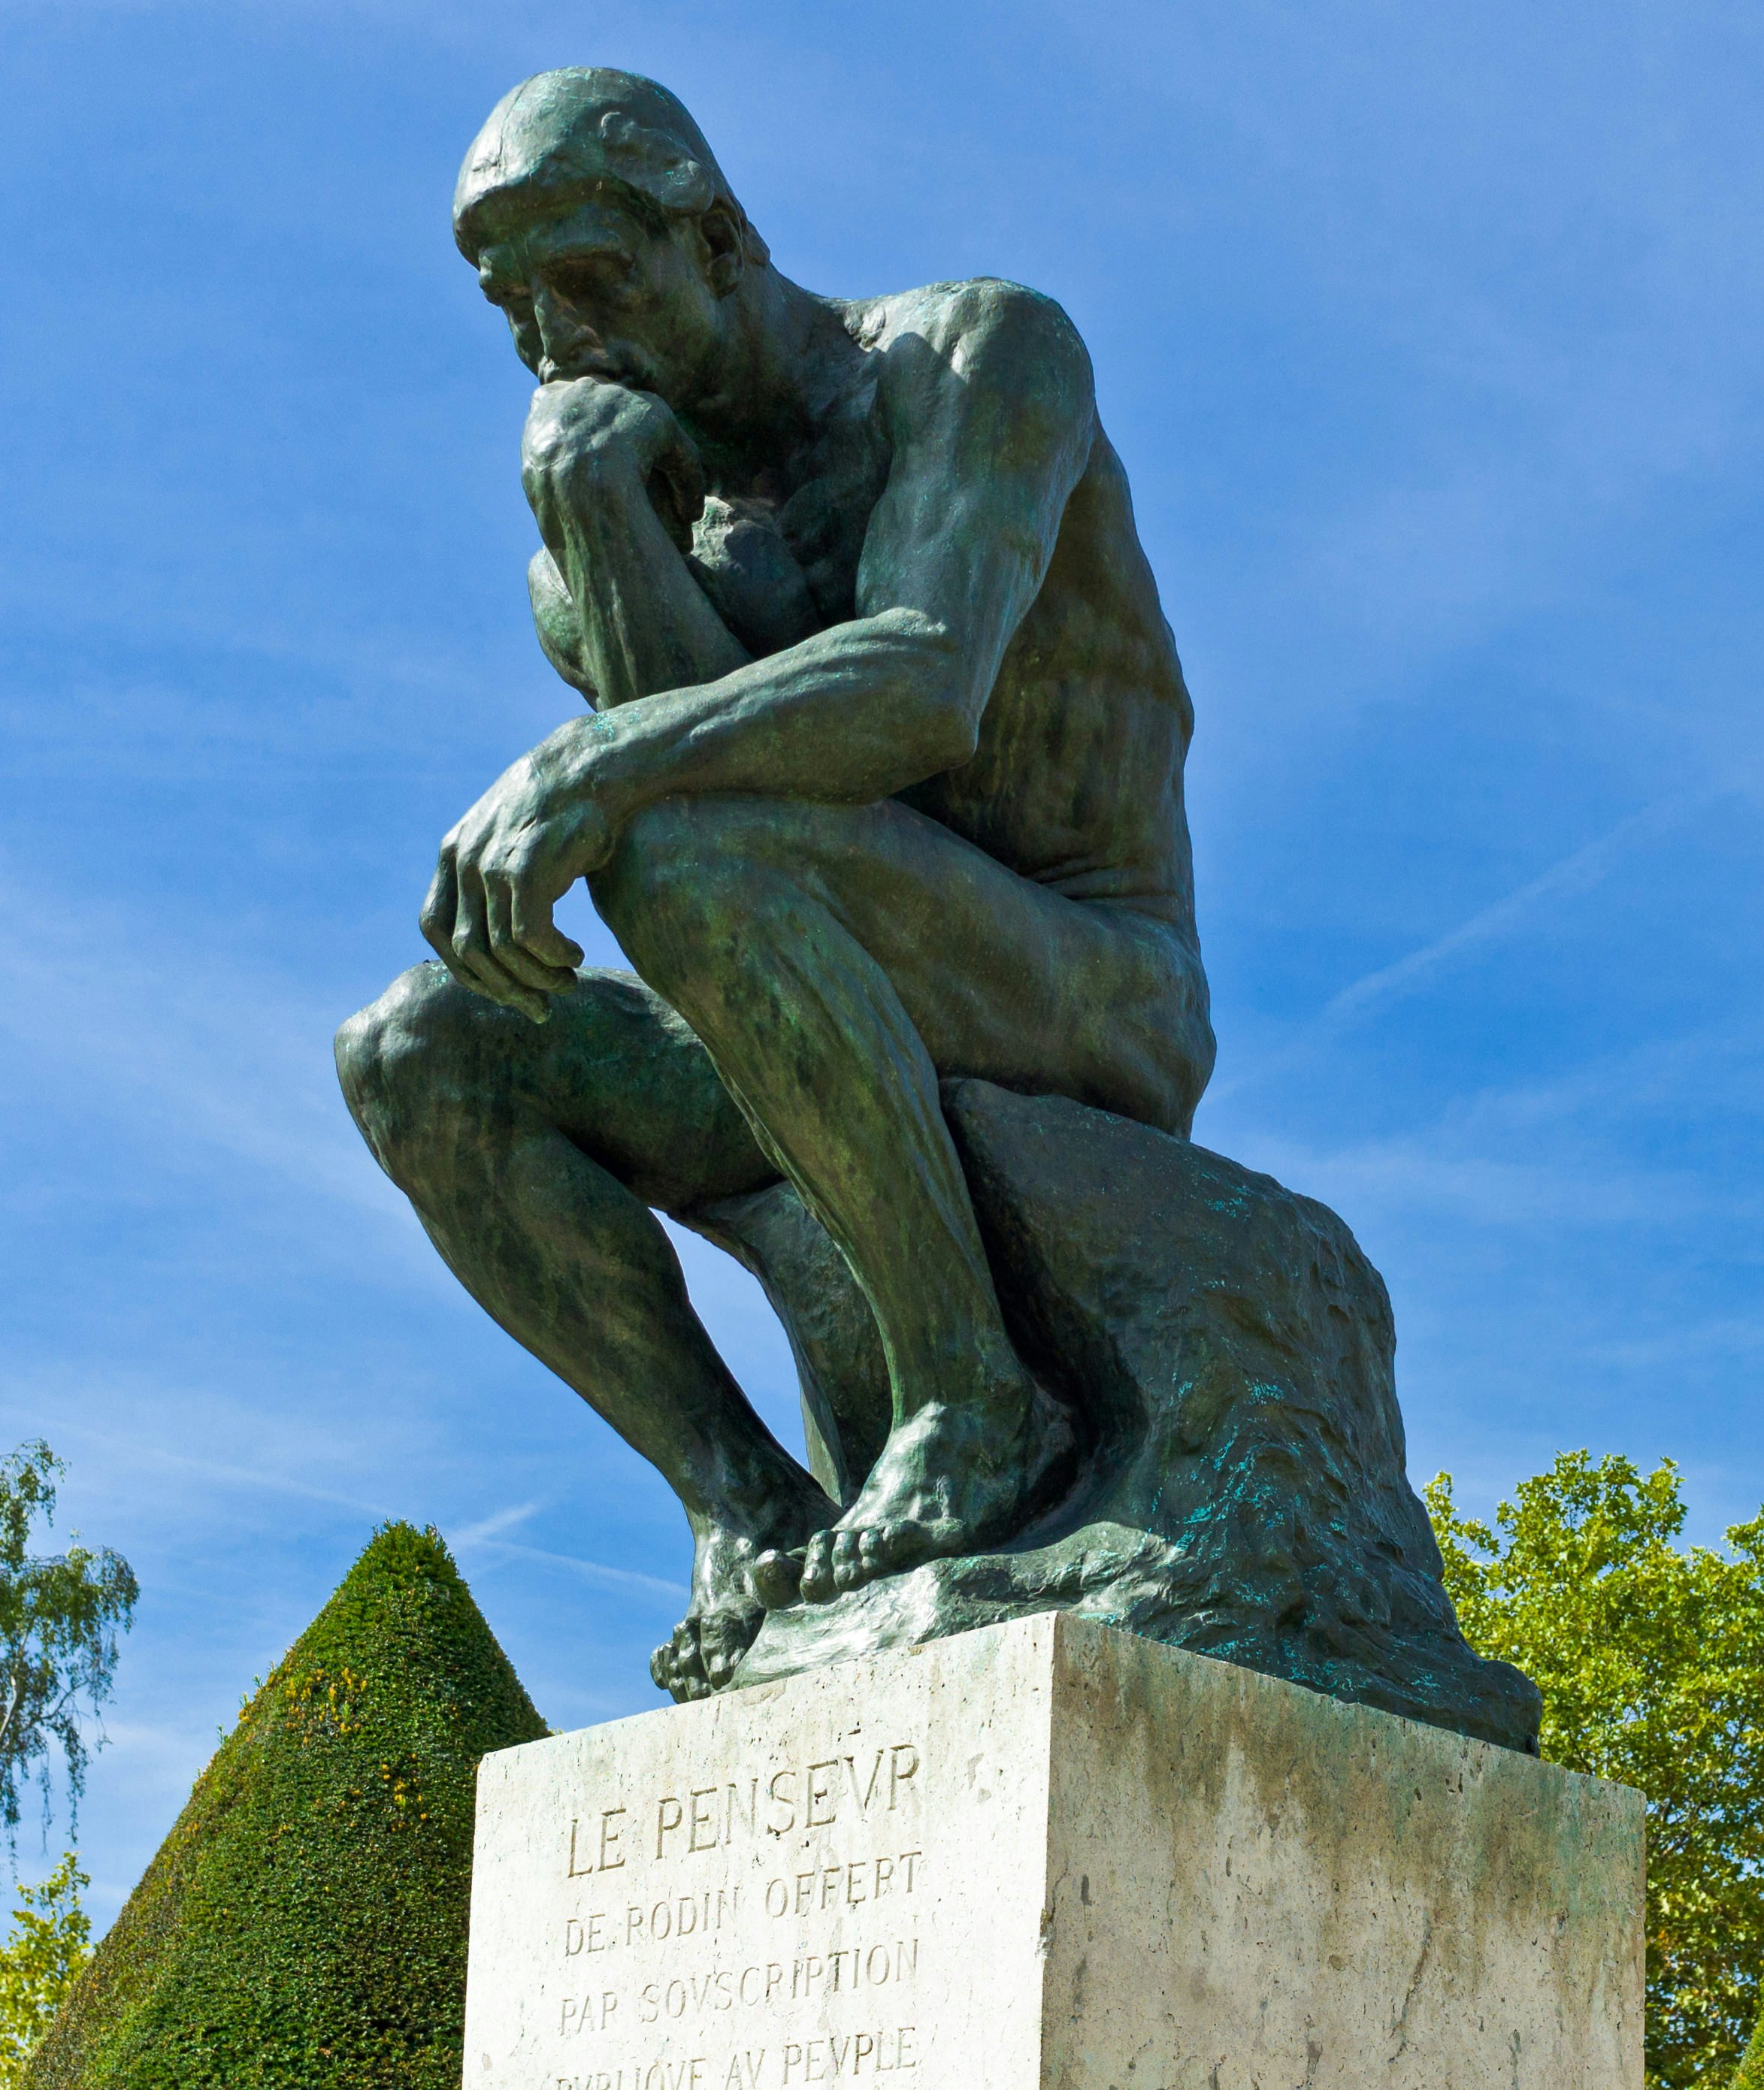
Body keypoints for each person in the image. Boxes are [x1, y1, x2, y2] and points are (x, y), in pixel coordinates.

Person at [334, 68, 1212, 1691]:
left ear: (718, 233)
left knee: (667, 829)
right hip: (807, 991)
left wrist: (590, 762)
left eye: (592, 278)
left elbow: (924, 684)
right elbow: (700, 770)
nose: (556, 340)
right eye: (513, 309)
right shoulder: (601, 542)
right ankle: (740, 1498)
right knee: (416, 1049)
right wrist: (598, 517)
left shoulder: (974, 356)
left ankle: (975, 1392)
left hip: (1084, 977)